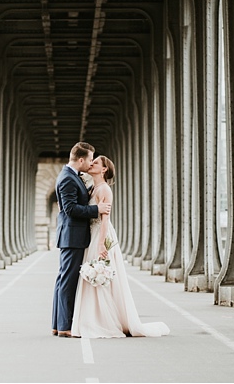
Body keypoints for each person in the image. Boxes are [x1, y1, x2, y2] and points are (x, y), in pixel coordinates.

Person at [70, 156, 170, 339]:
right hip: (93, 235)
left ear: (104, 169)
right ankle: (93, 320)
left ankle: (102, 321)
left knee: (99, 275)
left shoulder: (105, 189)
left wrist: (101, 244)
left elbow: (105, 219)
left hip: (102, 235)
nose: (91, 164)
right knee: (92, 276)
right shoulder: (93, 188)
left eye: (96, 163)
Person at [52, 142, 111, 338]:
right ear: (80, 159)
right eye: (89, 159)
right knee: (67, 281)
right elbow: (70, 209)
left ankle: (57, 324)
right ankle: (64, 327)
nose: (90, 163)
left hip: (73, 235)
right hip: (73, 236)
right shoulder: (68, 179)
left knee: (63, 280)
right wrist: (97, 210)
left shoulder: (71, 176)